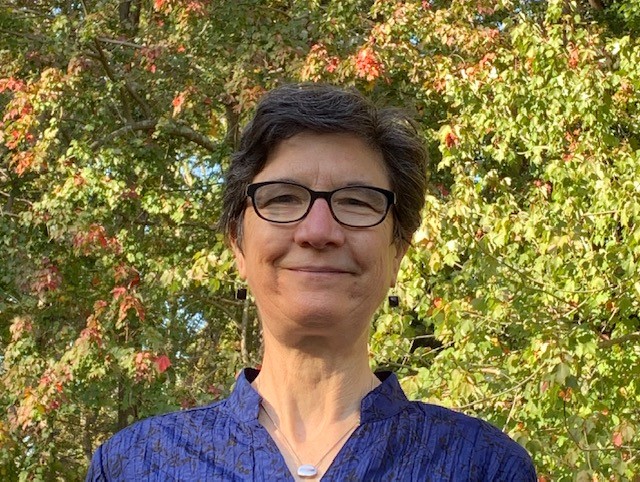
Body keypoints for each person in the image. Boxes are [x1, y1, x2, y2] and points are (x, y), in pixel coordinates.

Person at [86, 84, 536, 481]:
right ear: (238, 246)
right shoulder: (136, 465)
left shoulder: (483, 466)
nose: (318, 231)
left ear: (397, 249)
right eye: (283, 198)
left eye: (358, 202)